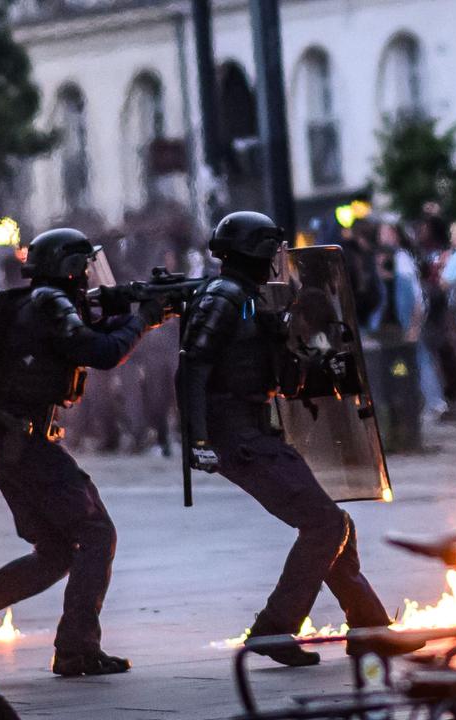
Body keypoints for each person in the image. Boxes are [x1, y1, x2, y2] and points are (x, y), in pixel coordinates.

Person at [180, 211, 392, 667]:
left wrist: (315, 351)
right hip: (237, 435)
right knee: (325, 524)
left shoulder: (249, 301)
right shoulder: (224, 299)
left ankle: (369, 627)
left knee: (333, 524)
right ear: (256, 253)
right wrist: (197, 440)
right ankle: (274, 631)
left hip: (254, 429)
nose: (277, 260)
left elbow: (284, 377)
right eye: (271, 250)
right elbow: (192, 368)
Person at [0, 228, 166, 676]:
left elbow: (91, 334)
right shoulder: (50, 305)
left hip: (7, 443)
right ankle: (76, 649)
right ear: (68, 269)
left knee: (55, 550)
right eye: (84, 267)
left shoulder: (37, 306)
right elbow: (104, 351)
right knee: (96, 533)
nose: (89, 277)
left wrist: (136, 309)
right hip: (23, 443)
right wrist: (142, 319)